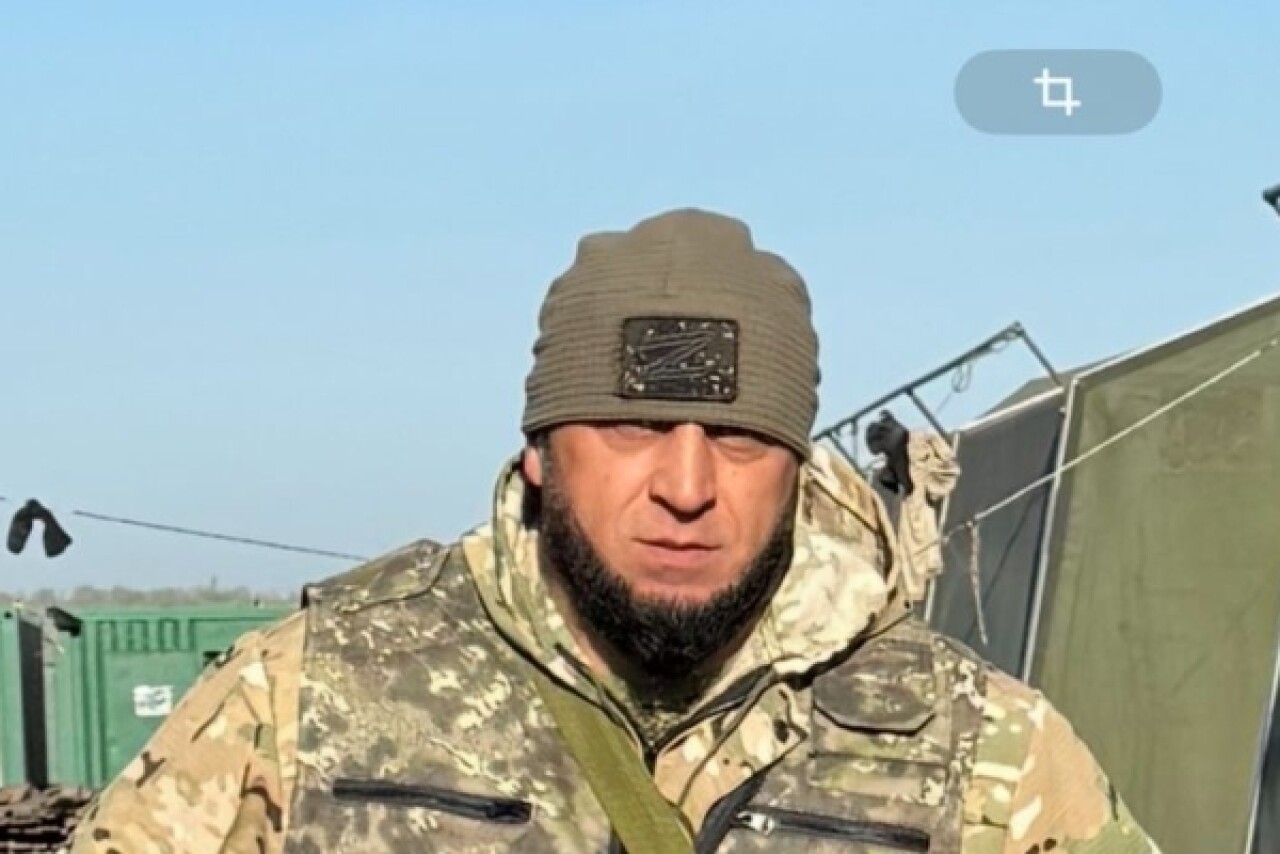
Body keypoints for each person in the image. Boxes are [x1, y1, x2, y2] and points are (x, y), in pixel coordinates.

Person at [67, 209, 1161, 853]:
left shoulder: (977, 744)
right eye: (632, 428)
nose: (686, 485)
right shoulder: (306, 698)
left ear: (796, 467)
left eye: (739, 440)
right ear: (541, 451)